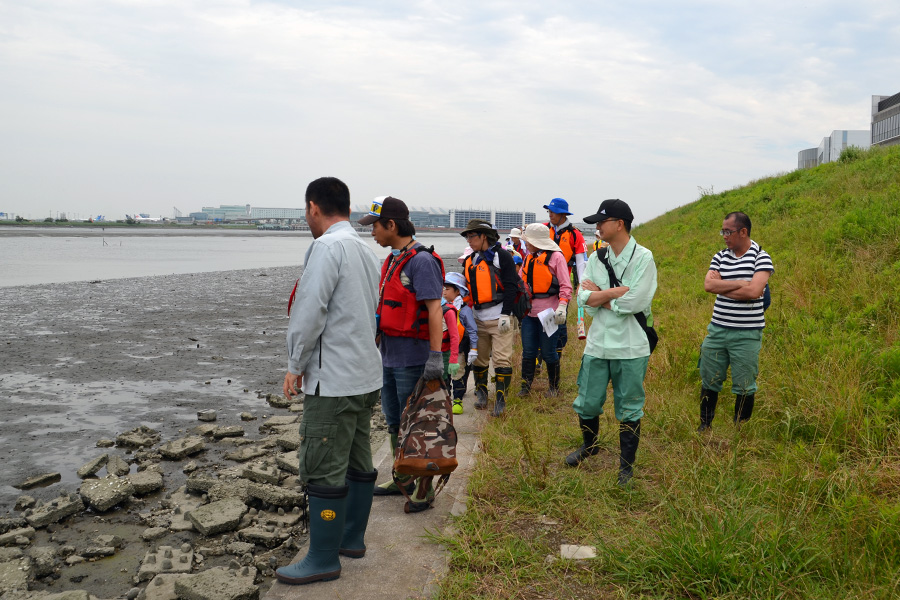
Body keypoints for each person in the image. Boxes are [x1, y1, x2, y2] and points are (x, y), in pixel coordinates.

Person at [276, 177, 383, 586]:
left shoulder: (327, 247)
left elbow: (309, 311)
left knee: (322, 467)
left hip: (333, 380)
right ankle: (351, 538)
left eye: (306, 211)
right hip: (364, 375)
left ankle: (322, 557)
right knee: (358, 461)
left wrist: (294, 363)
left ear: (313, 207)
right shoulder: (363, 248)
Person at [360, 196, 445, 510]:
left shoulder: (421, 261)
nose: (372, 233)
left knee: (418, 425)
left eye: (375, 227)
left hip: (414, 357)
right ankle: (401, 476)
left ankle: (424, 490)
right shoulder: (393, 259)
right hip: (390, 355)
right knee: (395, 420)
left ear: (391, 225)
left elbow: (435, 310)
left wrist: (435, 357)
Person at [565, 199, 657, 487]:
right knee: (588, 401)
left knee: (629, 406)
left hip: (631, 346)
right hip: (598, 344)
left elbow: (637, 300)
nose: (597, 227)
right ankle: (589, 446)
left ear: (619, 224)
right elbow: (583, 298)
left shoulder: (643, 258)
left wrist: (601, 295)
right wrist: (615, 293)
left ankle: (626, 466)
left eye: (602, 222)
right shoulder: (596, 258)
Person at [697, 211, 774, 431]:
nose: (724, 236)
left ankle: (740, 429)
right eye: (722, 231)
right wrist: (741, 283)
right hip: (717, 329)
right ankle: (705, 425)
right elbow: (709, 286)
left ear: (743, 232)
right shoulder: (720, 256)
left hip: (747, 334)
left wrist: (727, 286)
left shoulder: (761, 257)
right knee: (709, 379)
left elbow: (755, 291)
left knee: (744, 384)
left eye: (728, 231)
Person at [460, 219, 519, 417]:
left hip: (499, 316)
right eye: (467, 237)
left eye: (471, 236)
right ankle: (482, 395)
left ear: (483, 236)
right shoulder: (470, 260)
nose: (468, 240)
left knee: (502, 359)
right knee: (479, 359)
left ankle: (500, 400)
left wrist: (506, 314)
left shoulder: (502, 256)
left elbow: (512, 286)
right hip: (477, 318)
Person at [518, 223, 573, 396]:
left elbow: (566, 285)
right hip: (529, 314)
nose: (526, 244)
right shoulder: (528, 258)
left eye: (528, 241)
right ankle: (525, 387)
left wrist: (562, 306)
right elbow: (521, 282)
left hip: (550, 313)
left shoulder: (556, 257)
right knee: (528, 351)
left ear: (537, 241)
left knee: (549, 352)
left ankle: (553, 387)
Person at [543, 198, 587, 363]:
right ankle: (542, 355)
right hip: (542, 283)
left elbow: (581, 261)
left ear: (562, 214)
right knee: (541, 319)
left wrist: (581, 284)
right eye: (549, 211)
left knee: (559, 321)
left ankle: (556, 356)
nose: (550, 214)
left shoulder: (575, 235)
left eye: (553, 212)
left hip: (563, 283)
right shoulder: (544, 229)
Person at [442, 272, 478, 414]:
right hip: (444, 348)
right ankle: (445, 399)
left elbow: (472, 330)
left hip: (459, 349)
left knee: (458, 374)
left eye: (448, 289)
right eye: (443, 288)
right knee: (445, 375)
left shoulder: (464, 311)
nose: (444, 291)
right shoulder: (442, 308)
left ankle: (457, 400)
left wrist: (473, 349)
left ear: (458, 291)